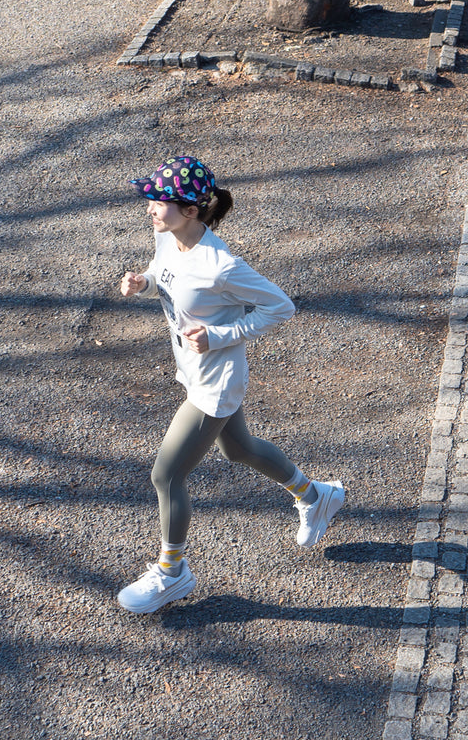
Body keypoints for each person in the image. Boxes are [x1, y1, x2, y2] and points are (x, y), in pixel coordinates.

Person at [117, 156, 345, 614]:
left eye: (159, 202)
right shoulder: (167, 236)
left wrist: (220, 335)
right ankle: (316, 496)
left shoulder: (221, 265)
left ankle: (172, 571)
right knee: (239, 451)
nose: (149, 208)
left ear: (192, 211)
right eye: (151, 199)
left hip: (214, 385)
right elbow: (166, 275)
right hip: (193, 372)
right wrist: (143, 283)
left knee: (167, 474)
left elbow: (280, 306)